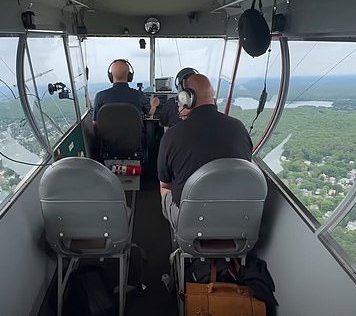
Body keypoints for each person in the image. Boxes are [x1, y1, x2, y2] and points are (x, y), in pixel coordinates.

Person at [157, 74, 254, 230]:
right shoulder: (239, 128)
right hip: (236, 221)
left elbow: (165, 182)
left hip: (191, 223)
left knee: (164, 189)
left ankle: (176, 234)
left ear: (186, 98)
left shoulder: (172, 135)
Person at [92, 59, 159, 126]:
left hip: (106, 136)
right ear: (129, 76)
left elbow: (95, 123)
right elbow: (150, 113)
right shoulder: (138, 95)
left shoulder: (99, 97)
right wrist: (154, 105)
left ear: (111, 76)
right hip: (135, 136)